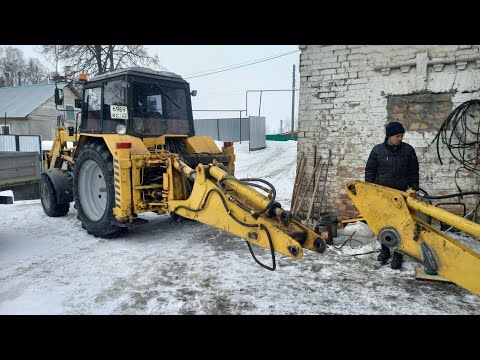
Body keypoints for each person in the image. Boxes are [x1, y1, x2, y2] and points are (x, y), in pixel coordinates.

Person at [365, 121, 419, 269]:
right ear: (389, 136)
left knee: (400, 224)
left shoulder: (408, 151)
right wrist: (369, 190)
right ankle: (385, 251)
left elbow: (414, 171)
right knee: (383, 224)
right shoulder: (377, 151)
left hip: (401, 195)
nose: (400, 138)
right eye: (397, 136)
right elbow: (370, 171)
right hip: (382, 195)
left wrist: (414, 187)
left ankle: (398, 254)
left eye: (402, 135)